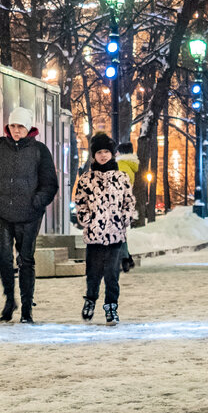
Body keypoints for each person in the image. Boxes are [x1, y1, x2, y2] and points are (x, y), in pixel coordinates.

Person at [0, 107, 58, 324]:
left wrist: (38, 201)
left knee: (26, 260)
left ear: (28, 126)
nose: (16, 130)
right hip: (2, 211)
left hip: (29, 214)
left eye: (20, 126)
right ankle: (9, 299)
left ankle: (27, 308)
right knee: (3, 257)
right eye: (13, 126)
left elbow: (50, 182)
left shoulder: (39, 150)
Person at [75, 132, 135, 325]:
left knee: (112, 274)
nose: (103, 155)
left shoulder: (121, 178)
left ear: (112, 154)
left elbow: (128, 201)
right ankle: (90, 300)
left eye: (106, 152)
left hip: (115, 235)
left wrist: (123, 219)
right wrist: (87, 219)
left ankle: (111, 307)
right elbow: (80, 202)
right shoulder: (87, 179)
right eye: (99, 152)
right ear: (94, 155)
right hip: (94, 235)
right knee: (93, 273)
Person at [114, 141, 139, 272]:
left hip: (118, 202)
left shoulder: (120, 164)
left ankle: (125, 259)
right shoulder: (130, 165)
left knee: (117, 231)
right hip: (125, 202)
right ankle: (127, 258)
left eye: (117, 151)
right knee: (120, 231)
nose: (115, 153)